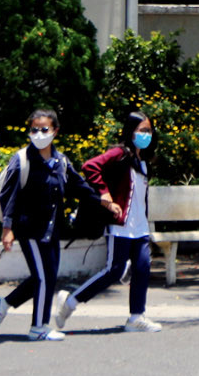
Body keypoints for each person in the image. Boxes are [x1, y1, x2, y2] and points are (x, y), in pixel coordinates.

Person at [0, 109, 106, 341]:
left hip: (51, 229)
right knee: (43, 278)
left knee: (46, 277)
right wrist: (8, 228)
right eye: (34, 129)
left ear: (55, 131)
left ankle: (4, 304)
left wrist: (104, 200)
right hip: (28, 229)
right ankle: (38, 328)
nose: (39, 134)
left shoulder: (60, 161)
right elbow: (9, 195)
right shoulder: (22, 160)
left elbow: (78, 186)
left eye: (44, 129)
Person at [57, 112, 158, 333]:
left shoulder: (143, 160)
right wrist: (105, 195)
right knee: (115, 270)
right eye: (142, 130)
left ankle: (136, 317)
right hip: (120, 225)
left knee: (142, 267)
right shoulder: (120, 154)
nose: (146, 135)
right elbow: (90, 166)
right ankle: (70, 301)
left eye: (149, 131)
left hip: (140, 227)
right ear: (131, 131)